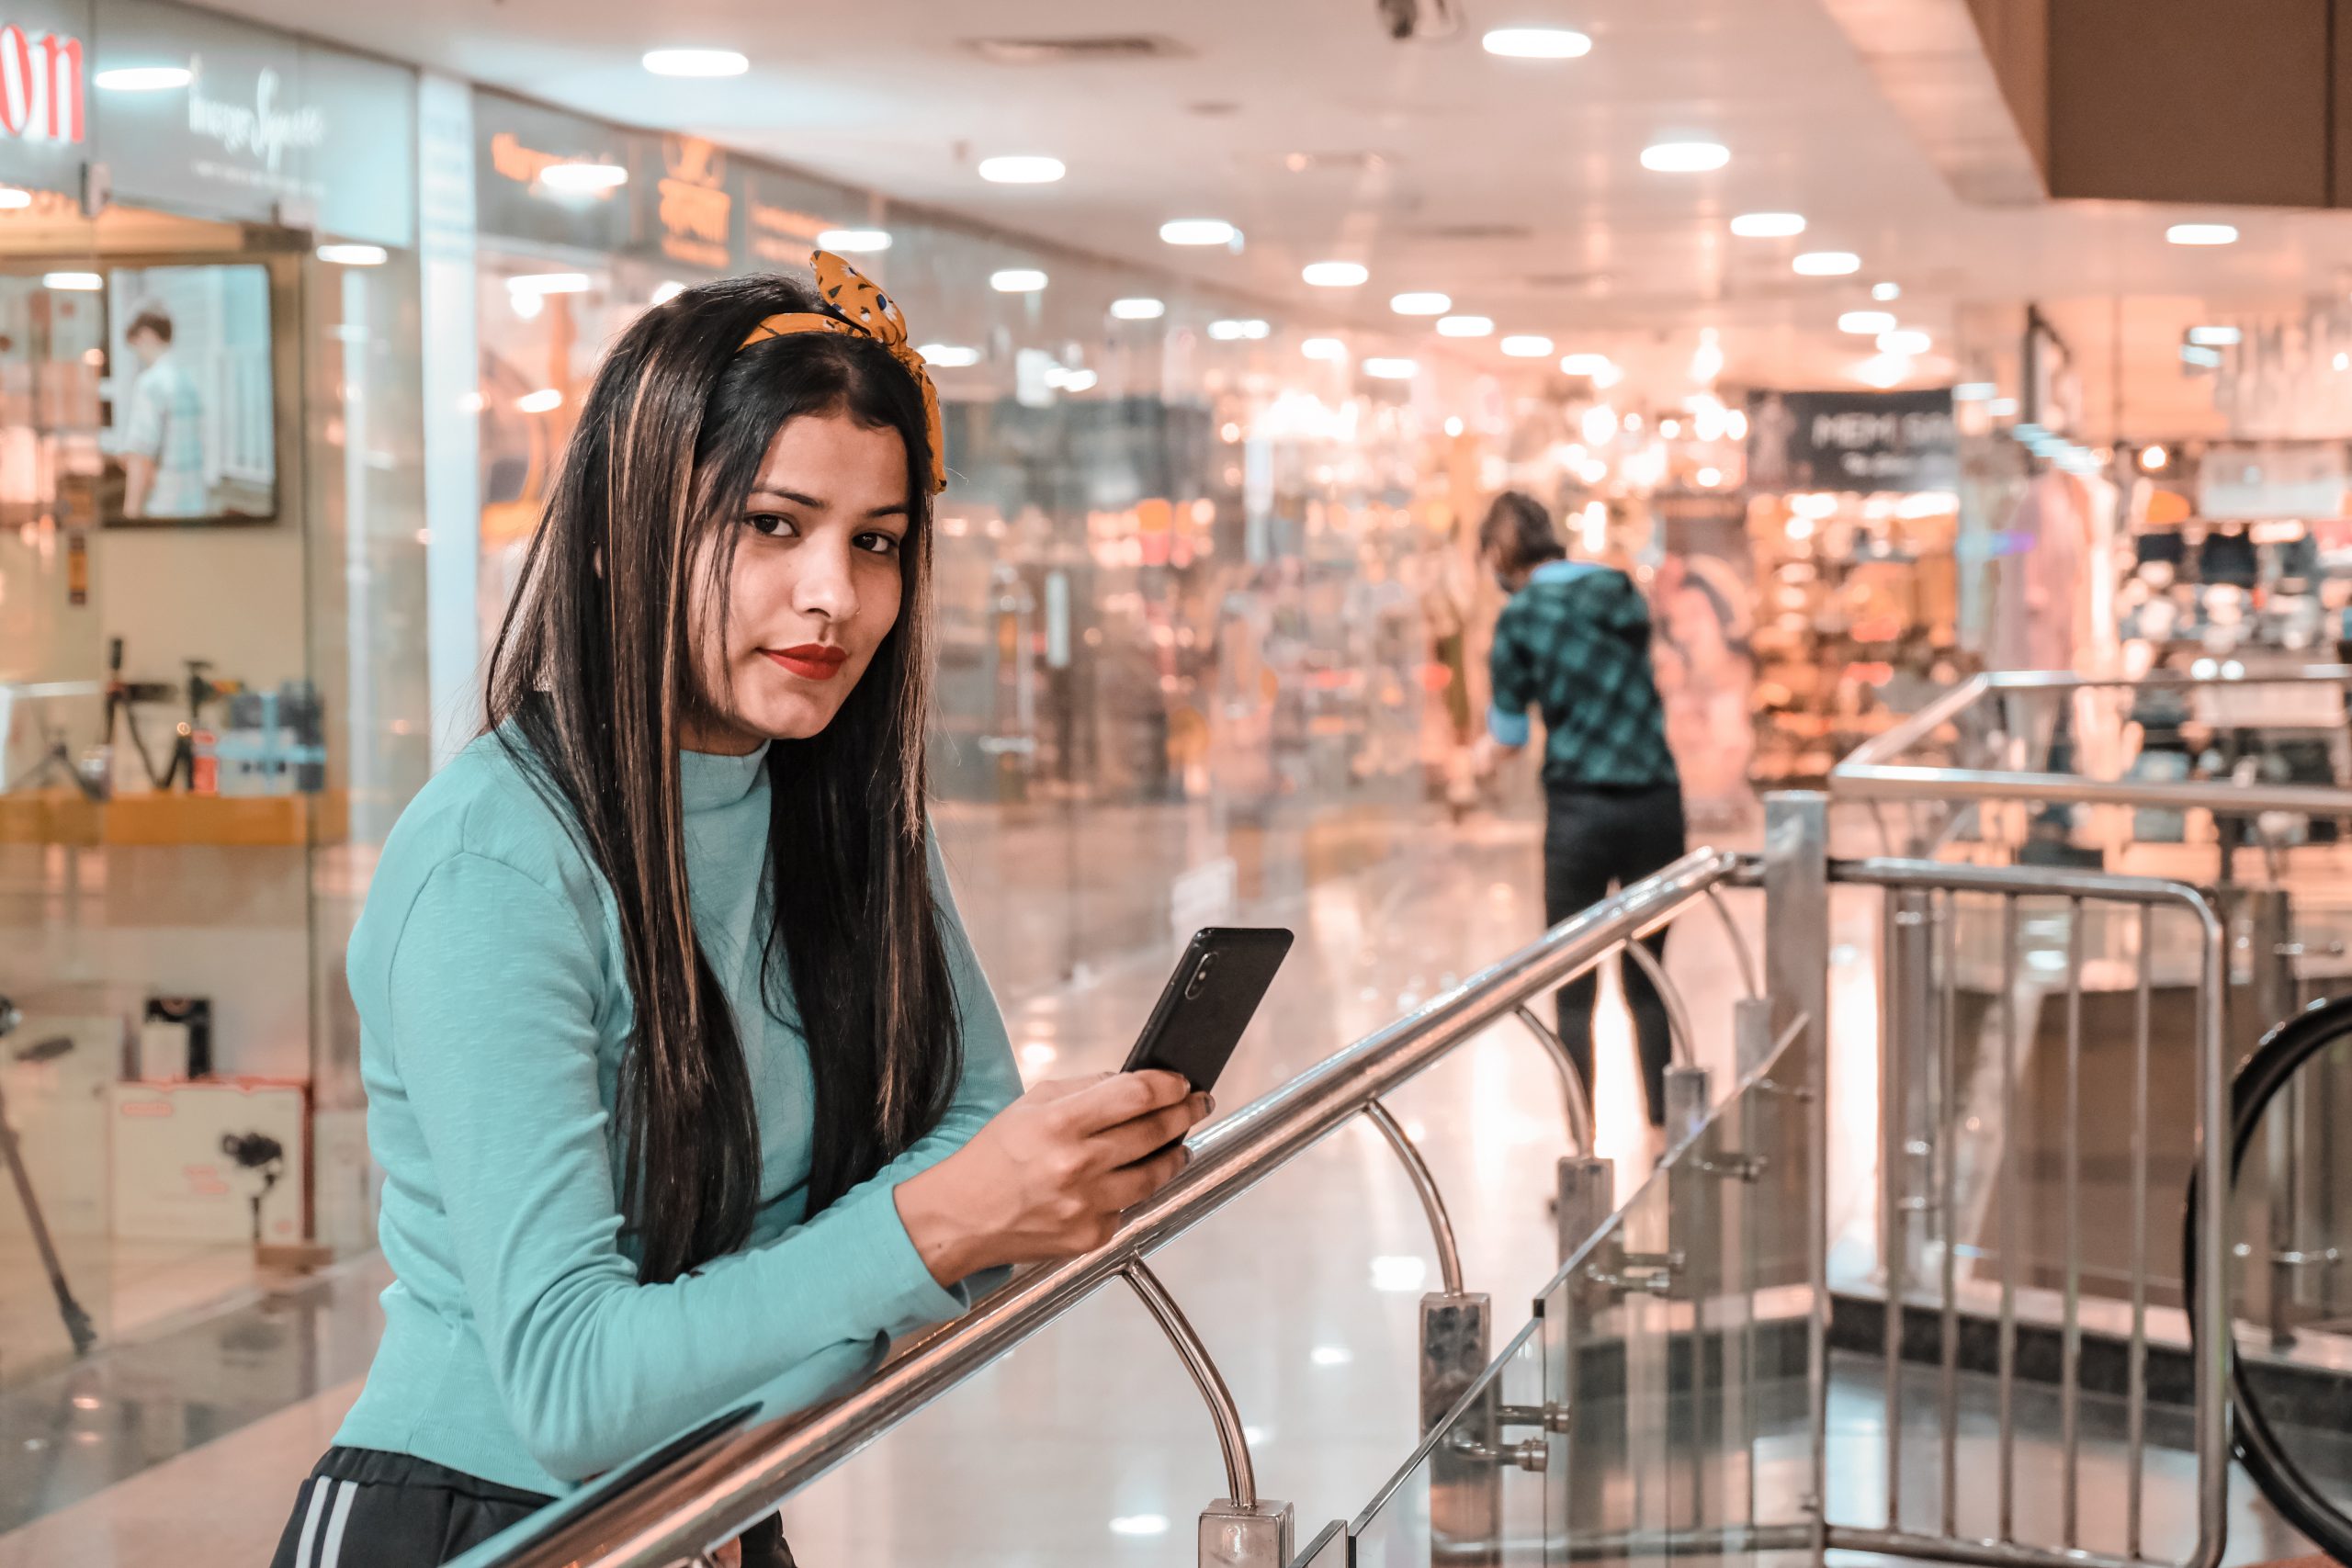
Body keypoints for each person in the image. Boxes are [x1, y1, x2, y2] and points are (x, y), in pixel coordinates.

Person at [268, 255, 1209, 1568]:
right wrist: (935, 1224)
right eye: (774, 524)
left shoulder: (839, 810)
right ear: (622, 529)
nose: (835, 592)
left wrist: (1014, 1191)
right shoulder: (494, 860)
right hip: (485, 1522)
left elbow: (970, 1113)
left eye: (874, 541)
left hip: (716, 1503)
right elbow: (573, 1384)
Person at [1476, 491, 1685, 1130]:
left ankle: (1583, 1150)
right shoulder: (1620, 591)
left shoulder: (1521, 618)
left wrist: (1477, 761)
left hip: (1580, 812)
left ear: (1500, 554)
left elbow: (1508, 736)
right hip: (1656, 800)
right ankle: (1662, 1142)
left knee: (1574, 984)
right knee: (1649, 977)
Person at [119, 304, 209, 519]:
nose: (137, 354)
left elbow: (142, 456)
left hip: (164, 506)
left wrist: (130, 514)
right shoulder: (190, 380)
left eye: (135, 345)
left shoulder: (150, 384)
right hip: (196, 503)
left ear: (146, 335)